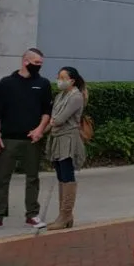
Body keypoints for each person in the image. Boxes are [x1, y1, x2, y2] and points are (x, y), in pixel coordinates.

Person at [0, 48, 52, 233]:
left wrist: (40, 129)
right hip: (8, 139)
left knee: (32, 178)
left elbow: (47, 111)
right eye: (36, 63)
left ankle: (32, 215)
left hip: (32, 140)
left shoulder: (43, 84)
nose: (39, 67)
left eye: (41, 64)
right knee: (3, 178)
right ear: (25, 61)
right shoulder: (6, 83)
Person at [43, 67, 87, 230]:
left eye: (62, 77)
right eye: (58, 77)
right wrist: (42, 131)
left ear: (72, 81)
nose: (59, 80)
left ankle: (66, 214)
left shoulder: (76, 97)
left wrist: (52, 122)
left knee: (67, 176)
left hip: (68, 139)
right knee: (61, 176)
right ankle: (64, 216)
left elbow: (60, 118)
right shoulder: (61, 95)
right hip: (57, 138)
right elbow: (54, 118)